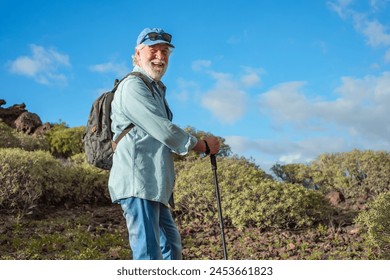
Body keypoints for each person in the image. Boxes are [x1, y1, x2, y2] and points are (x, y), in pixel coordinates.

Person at [108, 27, 220, 260]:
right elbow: (163, 130)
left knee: (170, 248)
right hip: (137, 183)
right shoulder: (133, 86)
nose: (160, 56)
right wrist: (202, 146)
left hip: (154, 186)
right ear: (138, 54)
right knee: (149, 256)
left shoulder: (155, 89)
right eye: (153, 50)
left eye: (165, 51)